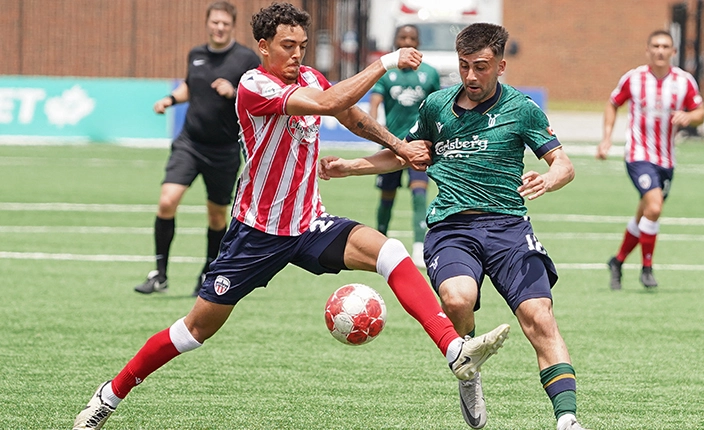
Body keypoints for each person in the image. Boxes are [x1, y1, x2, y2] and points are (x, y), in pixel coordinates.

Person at [73, 3, 510, 429]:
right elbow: (328, 101)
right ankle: (109, 395)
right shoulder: (254, 85)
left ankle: (454, 350)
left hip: (308, 223)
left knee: (391, 252)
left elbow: (353, 116)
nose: (296, 54)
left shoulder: (308, 77)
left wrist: (399, 146)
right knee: (194, 331)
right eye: (287, 45)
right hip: (257, 234)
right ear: (263, 46)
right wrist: (385, 63)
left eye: (301, 45)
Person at [320, 22, 587, 430]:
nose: (471, 76)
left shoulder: (522, 109)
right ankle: (468, 369)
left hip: (509, 227)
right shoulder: (436, 106)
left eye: (481, 66)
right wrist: (349, 168)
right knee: (457, 299)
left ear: (500, 65)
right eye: (464, 66)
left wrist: (548, 180)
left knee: (540, 317)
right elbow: (406, 155)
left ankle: (567, 419)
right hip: (452, 228)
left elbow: (564, 165)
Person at [136, 1, 261, 297]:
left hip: (225, 149)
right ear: (208, 23)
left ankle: (208, 271)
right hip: (190, 142)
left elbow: (258, 96)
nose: (219, 28)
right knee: (167, 201)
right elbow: (190, 86)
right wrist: (170, 99)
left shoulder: (245, 59)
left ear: (232, 26)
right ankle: (159, 274)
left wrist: (234, 92)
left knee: (217, 216)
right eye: (214, 22)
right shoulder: (196, 54)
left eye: (225, 24)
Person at [596, 29, 704, 290]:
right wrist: (607, 138)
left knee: (645, 213)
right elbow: (612, 103)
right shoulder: (634, 79)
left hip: (666, 159)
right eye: (655, 45)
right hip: (638, 155)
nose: (660, 50)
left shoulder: (684, 81)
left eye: (665, 46)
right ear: (648, 50)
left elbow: (700, 112)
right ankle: (647, 267)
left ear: (673, 52)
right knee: (654, 208)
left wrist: (689, 118)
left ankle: (618, 260)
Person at [368, 24, 440, 268]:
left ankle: (419, 246)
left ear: (418, 42)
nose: (407, 41)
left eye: (412, 37)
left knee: (420, 194)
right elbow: (375, 104)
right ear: (396, 40)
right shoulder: (386, 73)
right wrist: (377, 131)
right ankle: (379, 240)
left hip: (418, 146)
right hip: (392, 146)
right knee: (387, 198)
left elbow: (435, 107)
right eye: (403, 37)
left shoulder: (429, 73)